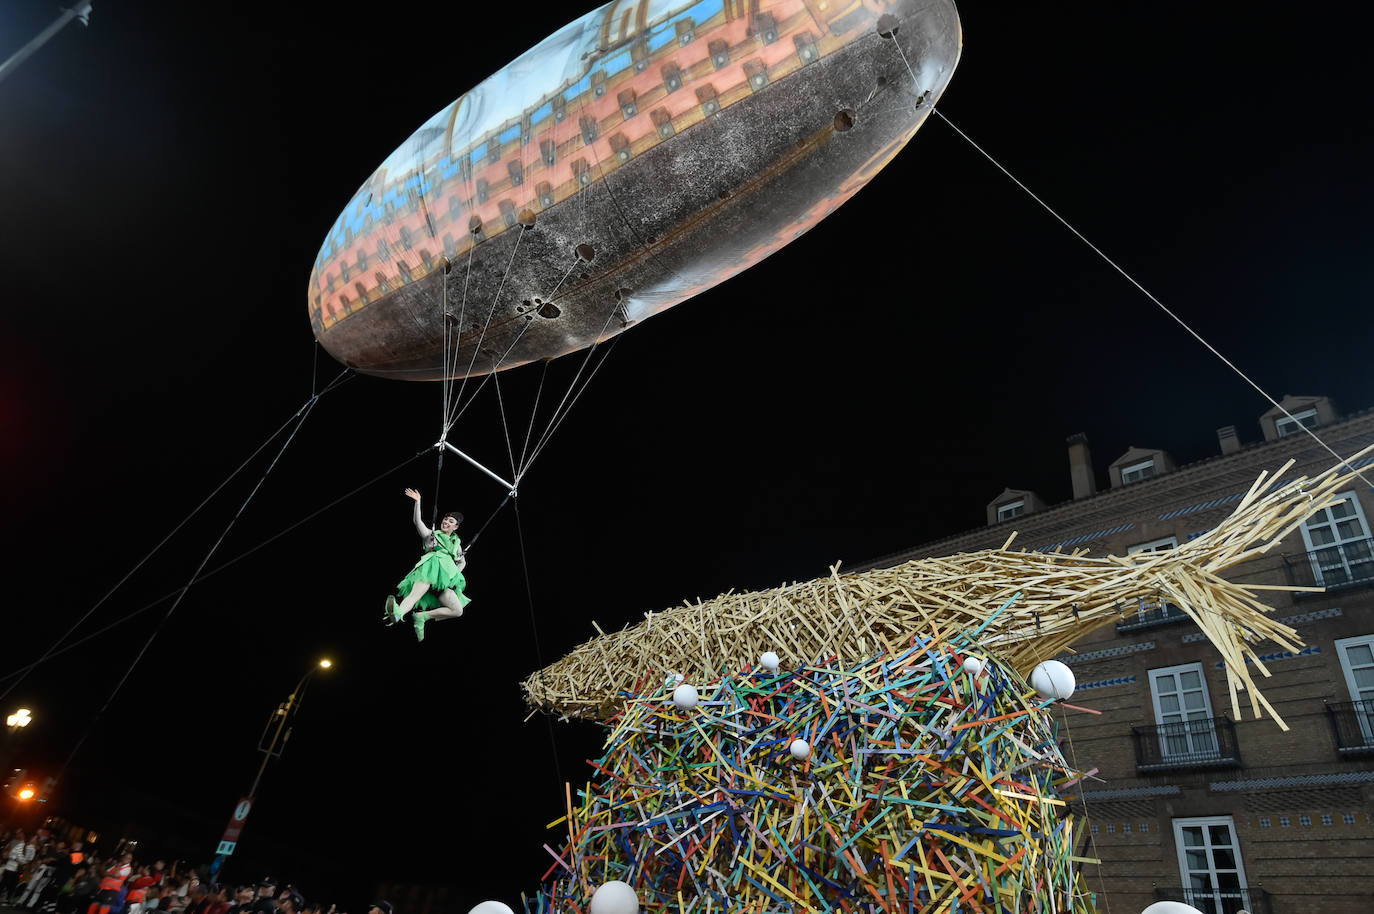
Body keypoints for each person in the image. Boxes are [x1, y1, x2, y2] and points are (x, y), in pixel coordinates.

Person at [383, 488, 470, 641]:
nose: (446, 522)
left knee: (457, 611)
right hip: (429, 570)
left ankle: (422, 617)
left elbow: (462, 561)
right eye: (445, 519)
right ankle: (398, 613)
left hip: (443, 580)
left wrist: (454, 574)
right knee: (414, 596)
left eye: (451, 522)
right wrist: (418, 502)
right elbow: (417, 522)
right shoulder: (431, 535)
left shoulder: (457, 544)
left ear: (455, 527)